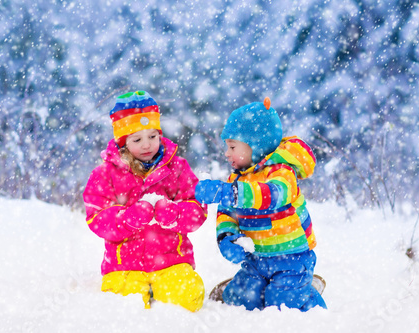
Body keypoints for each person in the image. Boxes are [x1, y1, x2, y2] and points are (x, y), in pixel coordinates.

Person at [195, 97, 327, 311]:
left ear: (254, 147)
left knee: (283, 306)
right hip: (257, 258)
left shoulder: (282, 172)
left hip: (291, 257)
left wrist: (229, 192)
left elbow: (271, 196)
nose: (227, 153)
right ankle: (246, 288)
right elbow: (227, 212)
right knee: (243, 300)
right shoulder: (238, 178)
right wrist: (226, 236)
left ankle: (305, 290)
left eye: (232, 146)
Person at [83, 90, 207, 312]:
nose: (147, 144)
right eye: (137, 139)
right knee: (120, 308)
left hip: (172, 260)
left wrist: (176, 214)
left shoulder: (176, 168)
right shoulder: (106, 173)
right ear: (123, 141)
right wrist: (127, 219)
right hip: (123, 265)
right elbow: (96, 216)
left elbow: (198, 208)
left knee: (187, 299)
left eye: (152, 136)